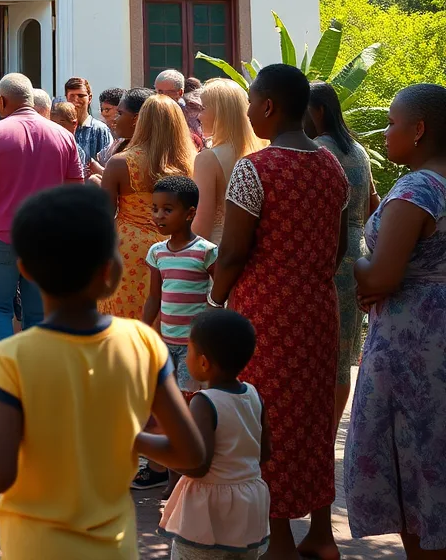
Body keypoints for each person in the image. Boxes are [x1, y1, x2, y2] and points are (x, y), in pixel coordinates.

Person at [0, 183, 205, 560]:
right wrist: (130, 437)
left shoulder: (14, 356)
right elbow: (191, 454)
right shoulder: (144, 344)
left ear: (25, 270)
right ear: (112, 271)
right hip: (114, 547)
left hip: (35, 545)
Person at [211, 64, 349, 560]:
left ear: (268, 106)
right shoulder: (331, 166)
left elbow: (231, 254)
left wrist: (213, 302)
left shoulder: (257, 168)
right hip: (317, 307)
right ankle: (322, 533)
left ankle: (281, 540)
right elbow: (339, 249)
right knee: (313, 420)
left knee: (267, 420)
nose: (247, 111)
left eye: (251, 101)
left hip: (265, 312)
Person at [345, 83, 446, 557]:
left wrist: (345, 260)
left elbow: (382, 275)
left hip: (415, 347)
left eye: (392, 122)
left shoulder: (418, 187)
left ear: (419, 129)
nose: (386, 132)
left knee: (417, 467)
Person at [0, 73, 84, 348]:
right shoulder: (64, 136)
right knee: (39, 315)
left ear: (3, 101)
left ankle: (5, 382)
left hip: (0, 237)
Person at [157, 310, 271, 560]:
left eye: (189, 350)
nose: (186, 357)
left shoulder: (204, 402)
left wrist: (161, 452)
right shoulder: (253, 394)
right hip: (248, 508)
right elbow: (264, 453)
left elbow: (196, 465)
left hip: (208, 513)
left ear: (204, 362)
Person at [305, 80, 378, 428]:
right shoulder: (359, 151)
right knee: (343, 353)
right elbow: (373, 204)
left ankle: (318, 429)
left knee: (317, 352)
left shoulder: (318, 151)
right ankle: (332, 428)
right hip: (356, 250)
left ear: (317, 111)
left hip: (328, 253)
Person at [140, 175, 218, 493]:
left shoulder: (205, 252)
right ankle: (172, 482)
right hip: (166, 346)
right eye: (155, 209)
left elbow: (221, 294)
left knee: (189, 410)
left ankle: (187, 481)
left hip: (194, 350)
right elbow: (154, 298)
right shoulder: (157, 252)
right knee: (168, 411)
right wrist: (144, 334)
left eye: (167, 210)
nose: (159, 216)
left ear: (189, 212)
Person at [99, 92, 196, 321]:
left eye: (120, 113)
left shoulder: (121, 162)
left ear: (139, 120)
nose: (115, 118)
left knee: (126, 327)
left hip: (130, 252)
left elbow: (102, 219)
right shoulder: (191, 161)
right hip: (178, 249)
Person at [193, 79, 264, 243]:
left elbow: (201, 225)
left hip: (216, 251)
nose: (198, 116)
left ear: (220, 113)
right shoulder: (261, 151)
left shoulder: (208, 159)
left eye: (203, 108)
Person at [65, 77, 112, 164]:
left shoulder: (100, 130)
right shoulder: (61, 129)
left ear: (89, 98)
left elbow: (108, 165)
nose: (76, 100)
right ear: (66, 98)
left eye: (81, 96)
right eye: (72, 96)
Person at [50, 100, 87, 170]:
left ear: (74, 123)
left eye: (61, 123)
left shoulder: (77, 151)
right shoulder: (47, 146)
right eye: (53, 123)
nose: (57, 128)